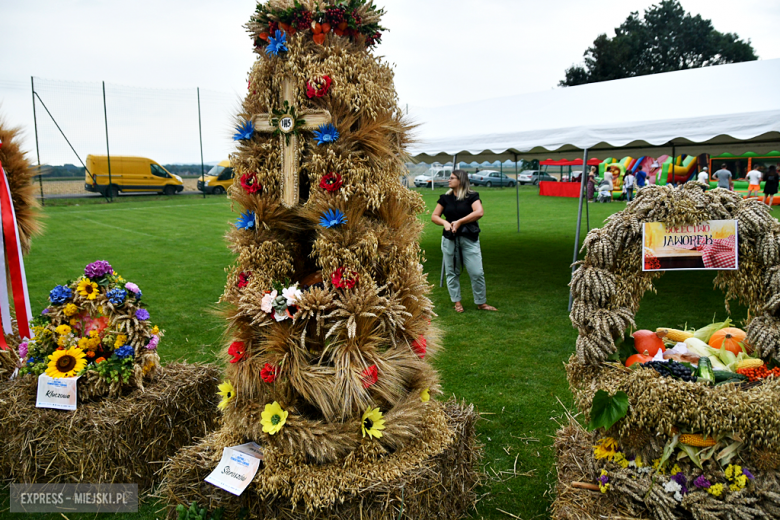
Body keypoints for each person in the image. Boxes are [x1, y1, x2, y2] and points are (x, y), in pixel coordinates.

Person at [431, 170, 497, 313]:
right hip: (450, 239)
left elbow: (479, 212)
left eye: (452, 178)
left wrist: (460, 221)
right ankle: (457, 302)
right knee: (451, 272)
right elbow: (434, 216)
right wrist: (445, 223)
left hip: (469, 238)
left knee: (477, 272)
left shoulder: (472, 196)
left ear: (460, 180)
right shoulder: (445, 198)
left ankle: (481, 303)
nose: (449, 180)